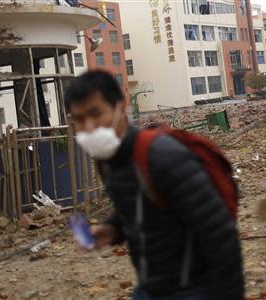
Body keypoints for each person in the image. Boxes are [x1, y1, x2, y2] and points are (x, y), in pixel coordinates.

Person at [65, 70, 244, 300]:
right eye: (79, 119)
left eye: (96, 113)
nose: (89, 126)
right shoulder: (108, 160)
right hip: (152, 288)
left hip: (195, 289)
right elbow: (143, 202)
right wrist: (112, 228)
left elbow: (220, 235)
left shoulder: (163, 156)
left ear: (120, 108)